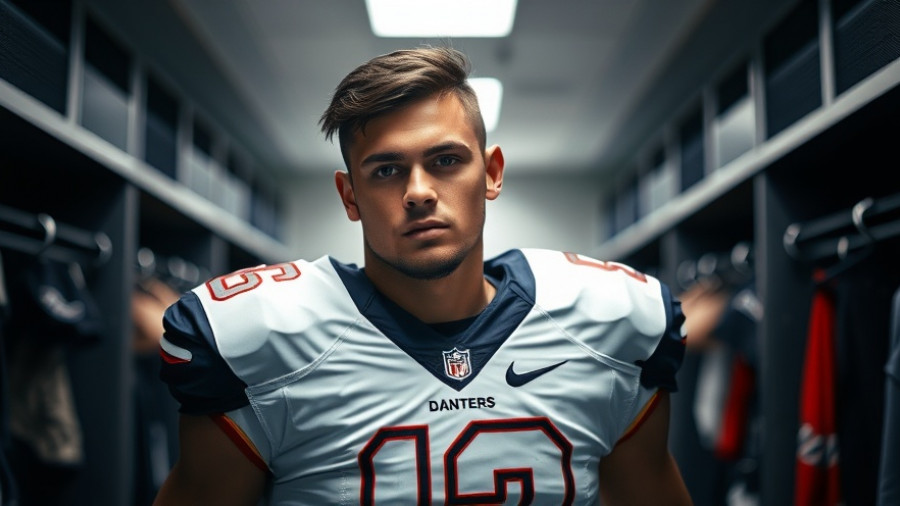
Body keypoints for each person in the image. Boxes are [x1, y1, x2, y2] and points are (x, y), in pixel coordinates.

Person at [153, 46, 693, 505]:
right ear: (349, 196)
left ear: (492, 172)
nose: (418, 191)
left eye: (446, 160)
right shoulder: (263, 339)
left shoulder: (606, 323)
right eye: (386, 170)